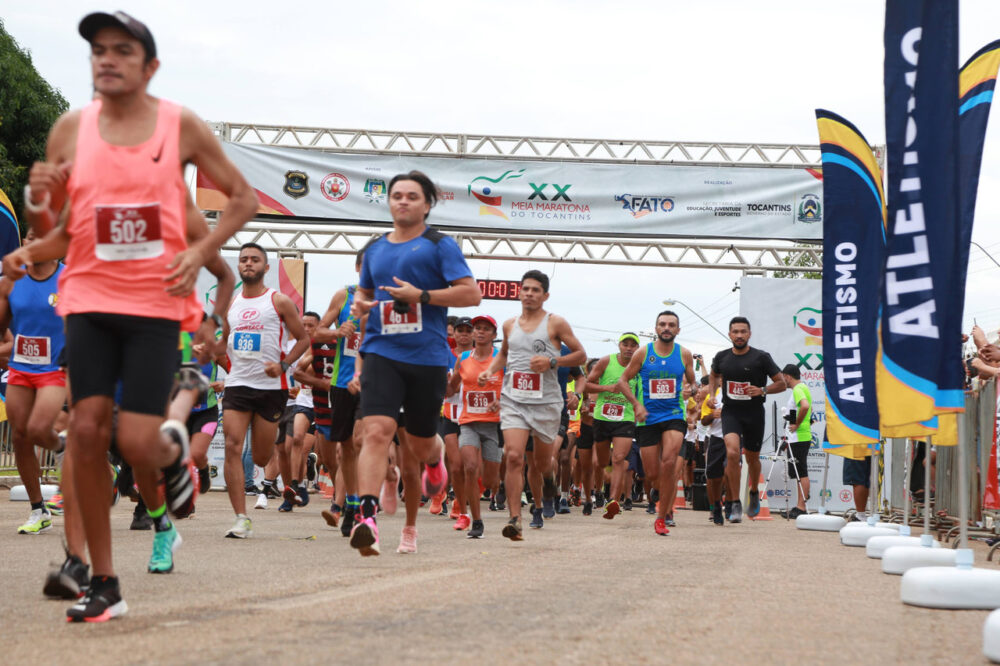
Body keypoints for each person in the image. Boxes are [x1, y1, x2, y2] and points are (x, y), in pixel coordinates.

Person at [8, 10, 257, 622]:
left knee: (135, 439)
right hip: (88, 300)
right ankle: (103, 581)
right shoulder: (69, 130)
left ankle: (172, 460)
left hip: (151, 305)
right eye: (98, 50)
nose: (107, 60)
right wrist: (31, 237)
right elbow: (65, 232)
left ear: (150, 67)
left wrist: (199, 251)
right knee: (87, 433)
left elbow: (243, 198)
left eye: (122, 50)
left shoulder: (179, 126)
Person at [347, 171, 481, 556]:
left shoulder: (440, 246)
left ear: (427, 204)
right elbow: (365, 292)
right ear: (389, 202)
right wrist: (360, 304)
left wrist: (420, 295)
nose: (403, 202)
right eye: (397, 196)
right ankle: (367, 517)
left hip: (426, 357)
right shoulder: (374, 250)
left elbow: (471, 295)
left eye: (411, 196)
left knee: (421, 443)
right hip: (381, 351)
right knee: (377, 430)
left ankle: (435, 461)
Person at [481, 269, 586, 540]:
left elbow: (580, 355)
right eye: (525, 288)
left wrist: (552, 362)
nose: (529, 293)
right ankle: (515, 519)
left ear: (545, 295)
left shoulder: (555, 323)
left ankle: (549, 480)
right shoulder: (508, 325)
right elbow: (504, 353)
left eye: (535, 290)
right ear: (519, 292)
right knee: (514, 456)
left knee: (542, 463)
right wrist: (490, 371)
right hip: (514, 399)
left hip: (546, 402)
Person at [220, 243, 310, 538]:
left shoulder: (278, 301)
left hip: (271, 387)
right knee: (233, 446)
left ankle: (267, 477)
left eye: (254, 260)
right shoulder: (230, 304)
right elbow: (224, 344)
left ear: (266, 267)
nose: (248, 263)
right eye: (244, 259)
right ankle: (240, 517)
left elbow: (303, 340)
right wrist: (209, 349)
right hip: (238, 385)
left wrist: (283, 365)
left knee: (260, 456)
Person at [0, 230, 67, 535]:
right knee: (21, 438)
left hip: (56, 369)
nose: (32, 242)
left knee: (41, 428)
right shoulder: (12, 280)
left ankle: (67, 451)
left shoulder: (70, 280)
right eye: (28, 237)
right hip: (20, 368)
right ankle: (39, 510)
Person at [617, 311, 696, 535]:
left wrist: (692, 389)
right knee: (651, 474)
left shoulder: (684, 354)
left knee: (670, 462)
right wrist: (636, 404)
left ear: (678, 330)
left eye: (671, 325)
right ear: (656, 328)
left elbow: (693, 382)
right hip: (648, 418)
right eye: (662, 324)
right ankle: (658, 492)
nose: (666, 328)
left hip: (673, 415)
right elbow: (623, 381)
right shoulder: (643, 353)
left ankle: (662, 517)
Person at [708, 316, 785, 523]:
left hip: (754, 414)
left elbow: (782, 383)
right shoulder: (721, 357)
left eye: (743, 331)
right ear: (730, 334)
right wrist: (712, 394)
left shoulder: (761, 357)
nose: (739, 335)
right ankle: (734, 502)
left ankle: (752, 491)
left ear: (749, 334)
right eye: (735, 332)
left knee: (752, 459)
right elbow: (714, 375)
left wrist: (762, 389)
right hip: (731, 412)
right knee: (732, 453)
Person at [314, 247, 367, 534]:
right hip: (342, 381)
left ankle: (361, 506)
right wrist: (338, 332)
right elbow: (317, 331)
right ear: (358, 267)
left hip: (375, 381)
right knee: (345, 446)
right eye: (366, 265)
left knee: (359, 441)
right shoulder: (344, 295)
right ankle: (352, 503)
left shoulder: (388, 299)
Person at [449, 314, 503, 537]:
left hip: (494, 424)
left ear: (493, 335)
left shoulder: (502, 359)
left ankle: (492, 490)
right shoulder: (462, 358)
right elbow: (451, 388)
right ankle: (476, 521)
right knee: (469, 467)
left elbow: (512, 388)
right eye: (476, 328)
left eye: (485, 329)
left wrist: (502, 402)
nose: (480, 332)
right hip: (468, 421)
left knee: (491, 481)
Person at [585, 333, 643, 521]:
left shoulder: (639, 368)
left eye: (633, 345)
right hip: (602, 417)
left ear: (637, 349)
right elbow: (587, 385)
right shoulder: (605, 361)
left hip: (625, 418)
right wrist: (607, 388)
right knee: (600, 463)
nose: (628, 348)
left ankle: (613, 501)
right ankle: (600, 489)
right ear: (619, 345)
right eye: (625, 344)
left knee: (619, 459)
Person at [442, 316, 474, 521]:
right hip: (450, 414)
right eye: (459, 330)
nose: (463, 334)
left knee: (471, 466)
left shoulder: (481, 356)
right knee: (455, 465)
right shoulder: (444, 355)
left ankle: (465, 499)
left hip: (474, 417)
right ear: (453, 333)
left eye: (467, 331)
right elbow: (443, 390)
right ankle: (461, 507)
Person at [780, 363, 812, 519]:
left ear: (787, 376)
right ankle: (801, 504)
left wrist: (797, 424)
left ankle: (801, 506)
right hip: (799, 436)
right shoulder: (802, 388)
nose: (782, 381)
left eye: (783, 377)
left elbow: (805, 406)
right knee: (799, 471)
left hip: (799, 437)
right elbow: (806, 411)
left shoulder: (798, 389)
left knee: (801, 472)